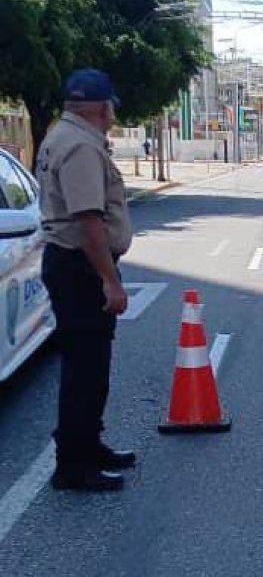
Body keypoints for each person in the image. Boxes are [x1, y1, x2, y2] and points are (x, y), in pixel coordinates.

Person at [36, 69, 134, 491]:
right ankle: (73, 467)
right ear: (100, 107)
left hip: (75, 265)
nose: (112, 113)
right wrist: (109, 281)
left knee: (90, 367)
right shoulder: (79, 145)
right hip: (81, 269)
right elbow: (88, 219)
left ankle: (88, 446)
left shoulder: (66, 136)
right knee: (85, 371)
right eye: (110, 105)